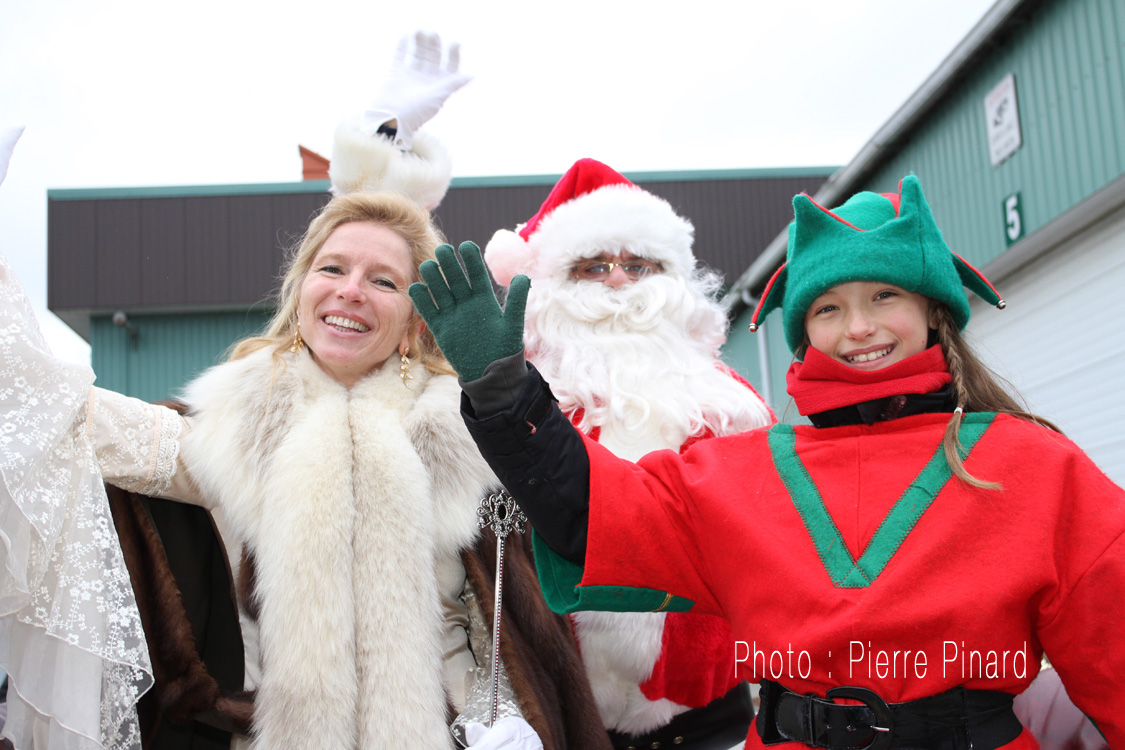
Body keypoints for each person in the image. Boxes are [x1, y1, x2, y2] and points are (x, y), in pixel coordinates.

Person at [408, 174, 1125, 749]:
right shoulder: (744, 469)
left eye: (885, 296)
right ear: (803, 330)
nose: (860, 327)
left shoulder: (1033, 463)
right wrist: (506, 394)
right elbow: (591, 512)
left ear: (935, 311)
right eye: (828, 308)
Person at [0, 122, 544, 748]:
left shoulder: (469, 436)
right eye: (332, 268)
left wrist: (497, 716)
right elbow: (64, 414)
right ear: (302, 287)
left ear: (417, 322)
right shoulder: (233, 428)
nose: (349, 292)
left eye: (384, 281)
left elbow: (496, 620)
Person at [478, 157, 773, 749]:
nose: (618, 281)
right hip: (561, 711)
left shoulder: (727, 402)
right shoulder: (509, 401)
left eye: (639, 265)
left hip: (711, 707)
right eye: (592, 268)